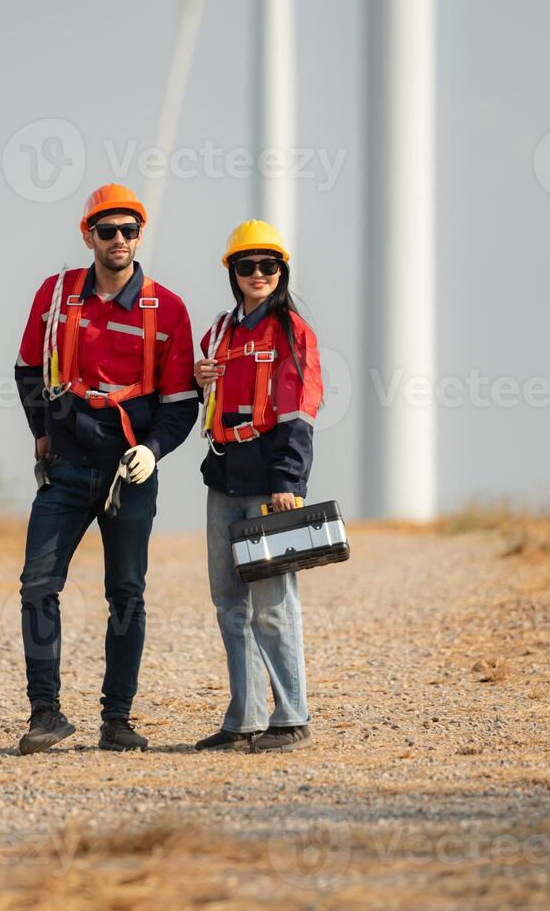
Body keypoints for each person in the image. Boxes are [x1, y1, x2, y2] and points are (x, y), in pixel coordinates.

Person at [12, 184, 200, 754]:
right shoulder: (56, 294)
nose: (118, 240)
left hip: (129, 472)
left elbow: (180, 403)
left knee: (127, 594)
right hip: (66, 469)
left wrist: (154, 449)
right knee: (37, 585)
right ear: (87, 234)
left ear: (140, 236)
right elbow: (26, 370)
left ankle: (116, 719)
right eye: (107, 230)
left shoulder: (167, 309)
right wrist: (42, 434)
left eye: (129, 230)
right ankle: (45, 713)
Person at [192, 220, 323, 754]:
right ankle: (244, 717)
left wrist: (289, 481)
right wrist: (198, 378)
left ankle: (292, 717)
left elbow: (300, 411)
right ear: (232, 272)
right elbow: (191, 387)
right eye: (246, 266)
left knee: (273, 604)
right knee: (229, 601)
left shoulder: (292, 331)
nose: (258, 274)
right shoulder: (220, 332)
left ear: (281, 270)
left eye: (268, 265)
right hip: (223, 474)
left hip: (270, 480)